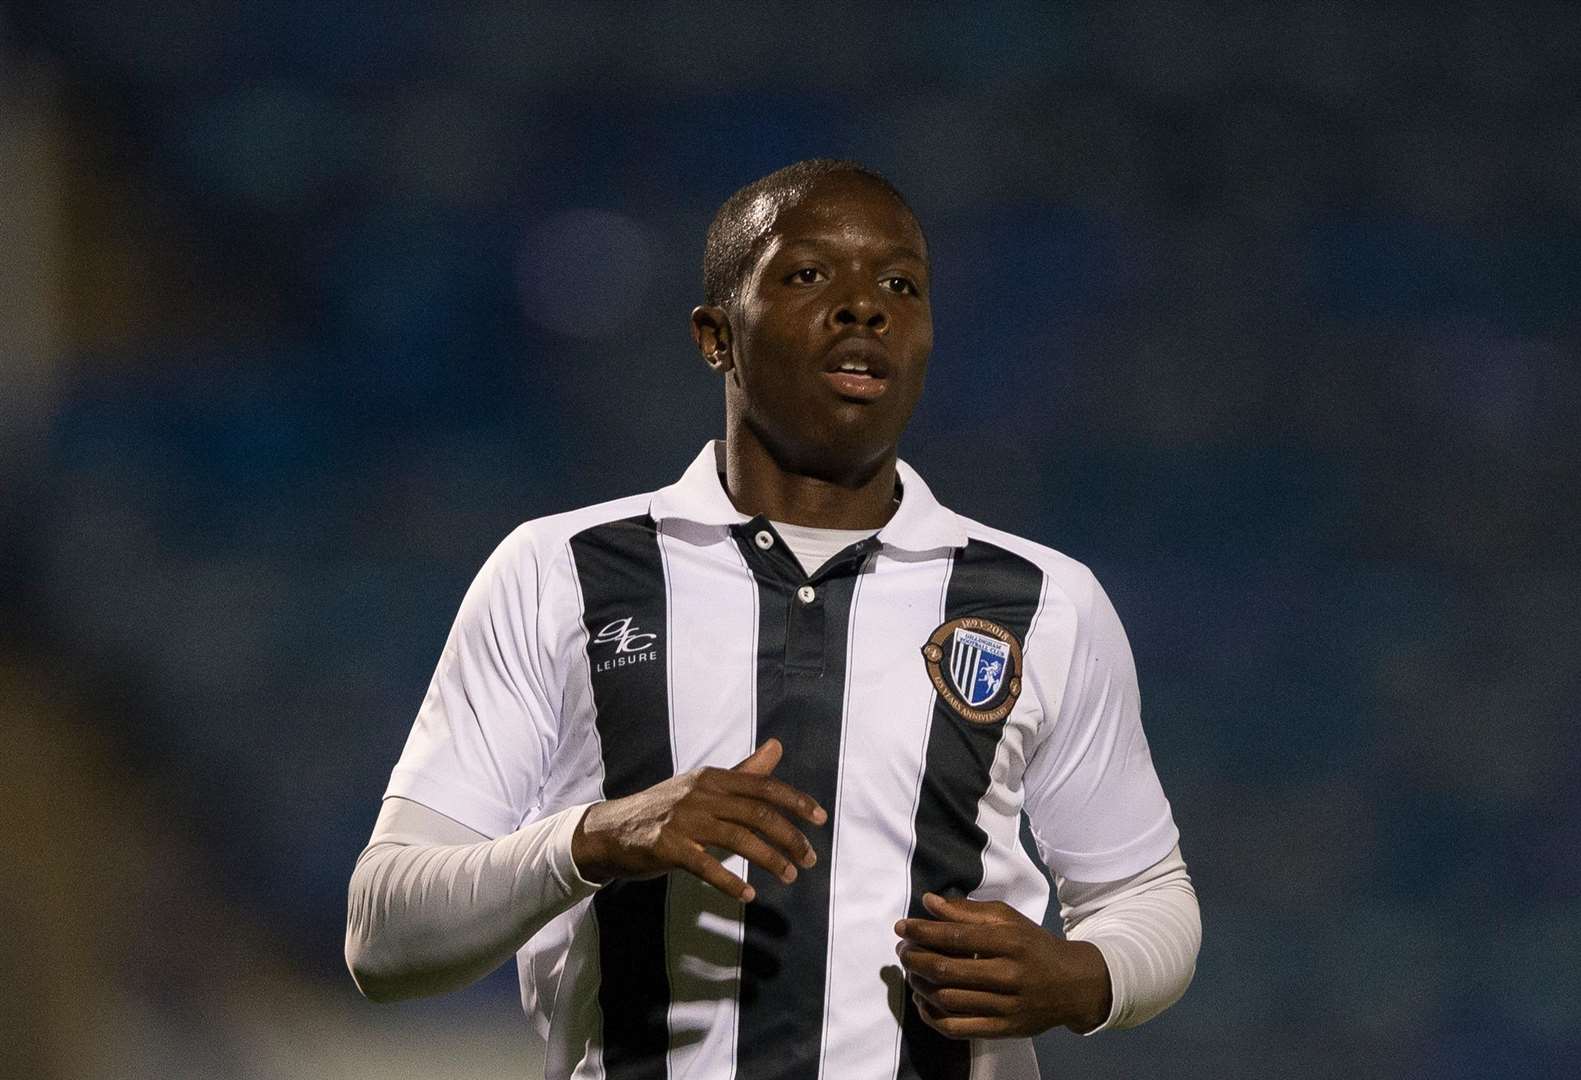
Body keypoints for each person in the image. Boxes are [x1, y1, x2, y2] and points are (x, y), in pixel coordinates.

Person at [345, 159, 1200, 1080]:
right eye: (807, 274)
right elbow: (384, 936)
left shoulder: (1040, 601)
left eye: (899, 284)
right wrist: (592, 838)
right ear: (716, 335)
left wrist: (1088, 978)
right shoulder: (560, 573)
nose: (863, 306)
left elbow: (1144, 894)